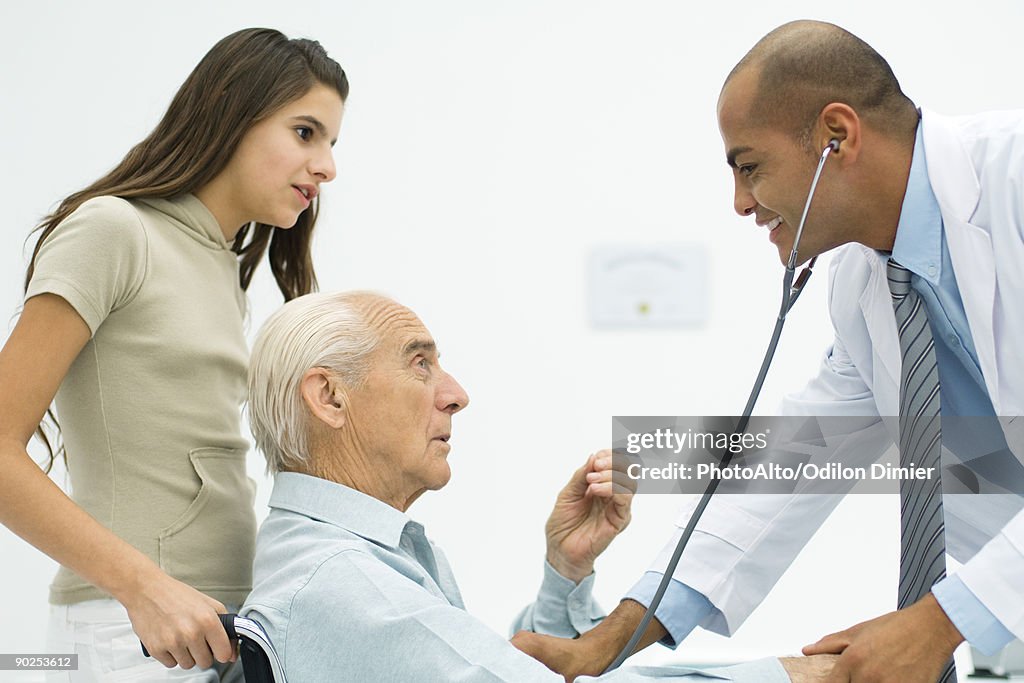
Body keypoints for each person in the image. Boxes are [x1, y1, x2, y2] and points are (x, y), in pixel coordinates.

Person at [512, 19, 1024, 683]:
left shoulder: (1013, 180)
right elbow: (788, 467)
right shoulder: (866, 287)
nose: (739, 202)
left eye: (750, 167)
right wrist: (610, 640)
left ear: (836, 136)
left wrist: (938, 622)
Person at [240, 291, 835, 682]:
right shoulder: (348, 585)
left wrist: (564, 574)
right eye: (419, 363)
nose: (456, 393)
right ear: (330, 397)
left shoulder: (351, 561)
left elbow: (496, 671)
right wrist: (805, 675)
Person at [0, 28, 346, 681]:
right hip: (127, 631)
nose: (328, 164)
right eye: (306, 132)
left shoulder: (220, 267)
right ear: (233, 112)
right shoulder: (113, 231)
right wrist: (144, 587)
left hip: (213, 626)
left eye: (331, 142)